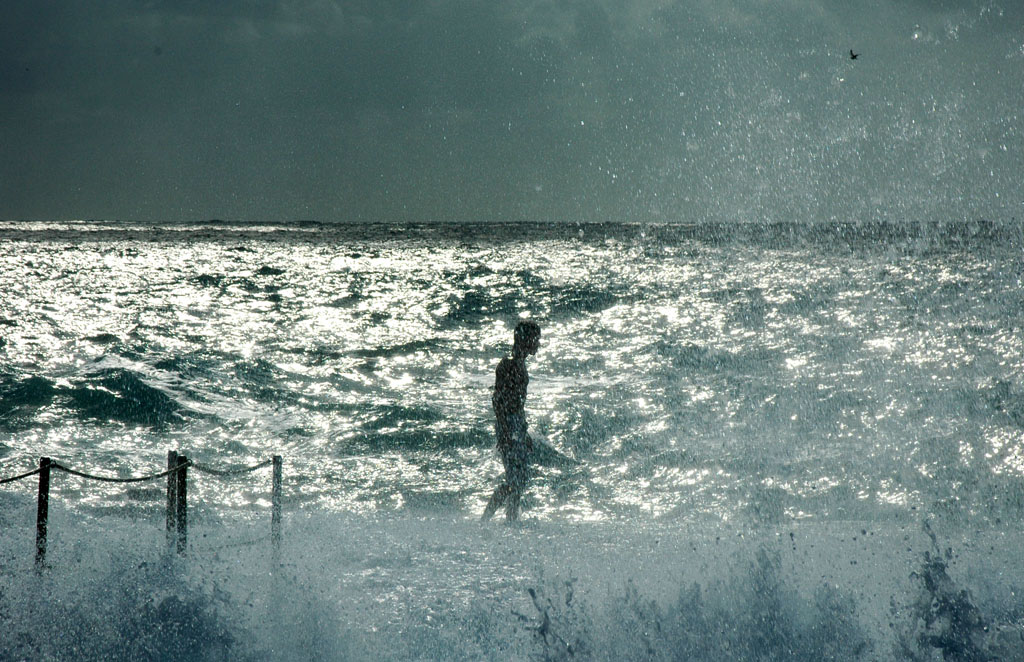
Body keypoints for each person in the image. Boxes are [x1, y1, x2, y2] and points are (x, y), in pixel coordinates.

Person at [482, 320, 541, 522]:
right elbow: (498, 399)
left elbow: (519, 404)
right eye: (536, 339)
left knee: (520, 479)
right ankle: (485, 520)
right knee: (514, 479)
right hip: (507, 424)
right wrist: (506, 430)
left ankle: (511, 520)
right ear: (525, 339)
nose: (538, 344)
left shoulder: (520, 364)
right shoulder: (507, 364)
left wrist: (523, 433)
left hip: (516, 425)